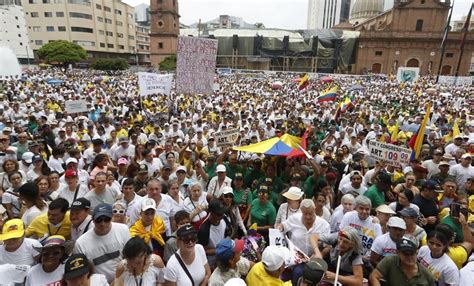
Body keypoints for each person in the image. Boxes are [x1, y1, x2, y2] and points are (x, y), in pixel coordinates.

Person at [73, 203, 131, 282]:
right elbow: (81, 272)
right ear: (93, 220)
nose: (102, 224)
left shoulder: (123, 230)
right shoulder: (81, 243)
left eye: (106, 219)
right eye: (99, 220)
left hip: (123, 279)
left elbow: (130, 257)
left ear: (111, 218)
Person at [280, 199, 330, 285]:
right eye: (305, 214)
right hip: (296, 258)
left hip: (315, 259)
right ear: (301, 211)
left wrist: (320, 254)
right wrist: (279, 229)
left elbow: (328, 246)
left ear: (314, 210)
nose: (307, 216)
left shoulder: (324, 225)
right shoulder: (295, 219)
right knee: (297, 272)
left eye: (310, 213)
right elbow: (282, 226)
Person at [369, 236, 435, 286]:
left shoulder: (427, 275)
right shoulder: (390, 261)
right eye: (405, 254)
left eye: (412, 254)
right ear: (398, 253)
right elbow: (374, 276)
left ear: (416, 253)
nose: (409, 257)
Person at [197, 199, 229, 269]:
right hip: (211, 262)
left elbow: (227, 234)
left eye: (223, 213)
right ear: (211, 212)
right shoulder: (204, 229)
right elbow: (202, 251)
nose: (221, 215)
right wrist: (219, 250)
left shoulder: (224, 219)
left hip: (223, 257)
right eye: (219, 214)